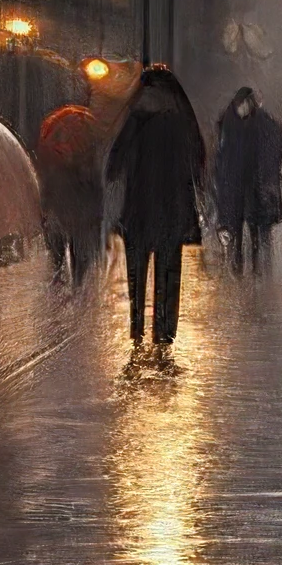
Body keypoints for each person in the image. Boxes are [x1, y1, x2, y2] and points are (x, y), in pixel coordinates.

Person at [106, 62, 206, 357]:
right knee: (168, 272)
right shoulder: (181, 117)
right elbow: (197, 160)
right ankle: (164, 333)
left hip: (138, 209)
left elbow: (113, 164)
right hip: (172, 211)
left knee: (136, 271)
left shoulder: (135, 117)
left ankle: (136, 328)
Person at [210, 86, 282, 274]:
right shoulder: (228, 123)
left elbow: (277, 142)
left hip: (252, 182)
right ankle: (238, 263)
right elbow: (221, 156)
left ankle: (254, 265)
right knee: (235, 224)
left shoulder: (260, 123)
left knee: (254, 224)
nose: (243, 107)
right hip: (235, 183)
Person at [37, 101, 106, 284]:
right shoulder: (90, 150)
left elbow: (46, 185)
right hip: (80, 215)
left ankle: (60, 287)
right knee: (79, 261)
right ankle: (77, 288)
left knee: (58, 260)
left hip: (64, 214)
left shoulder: (53, 152)